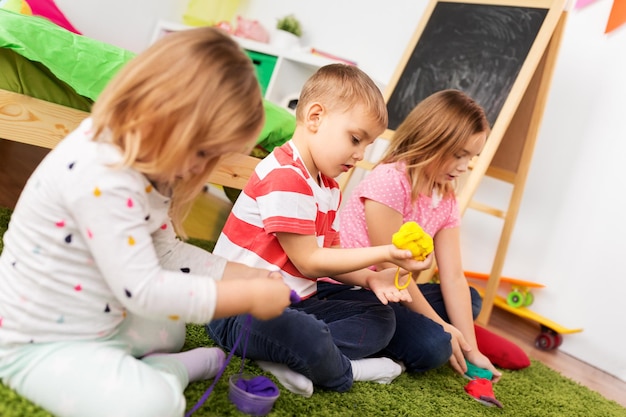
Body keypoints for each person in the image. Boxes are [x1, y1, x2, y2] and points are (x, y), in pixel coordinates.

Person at [0, 27, 293, 417]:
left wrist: (244, 275)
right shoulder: (100, 174)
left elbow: (165, 251)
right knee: (154, 405)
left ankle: (144, 365)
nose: (198, 169)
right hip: (38, 344)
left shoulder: (148, 161)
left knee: (170, 329)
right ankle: (168, 373)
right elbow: (143, 290)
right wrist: (248, 297)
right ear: (163, 114)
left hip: (100, 316)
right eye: (202, 152)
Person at [208, 64, 427, 397]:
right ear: (314, 117)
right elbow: (310, 261)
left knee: (380, 317)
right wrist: (386, 254)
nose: (360, 154)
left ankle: (296, 356)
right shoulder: (285, 174)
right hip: (239, 309)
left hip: (297, 303)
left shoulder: (328, 186)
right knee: (299, 331)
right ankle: (344, 370)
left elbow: (331, 258)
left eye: (367, 145)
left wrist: (370, 277)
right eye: (355, 139)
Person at [318, 89, 502, 382]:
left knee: (469, 298)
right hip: (350, 288)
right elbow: (392, 270)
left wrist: (472, 349)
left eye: (472, 157)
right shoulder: (391, 180)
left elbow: (453, 276)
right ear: (431, 140)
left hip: (394, 292)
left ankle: (450, 334)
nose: (465, 166)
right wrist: (441, 326)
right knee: (433, 345)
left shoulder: (446, 197)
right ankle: (392, 344)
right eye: (459, 154)